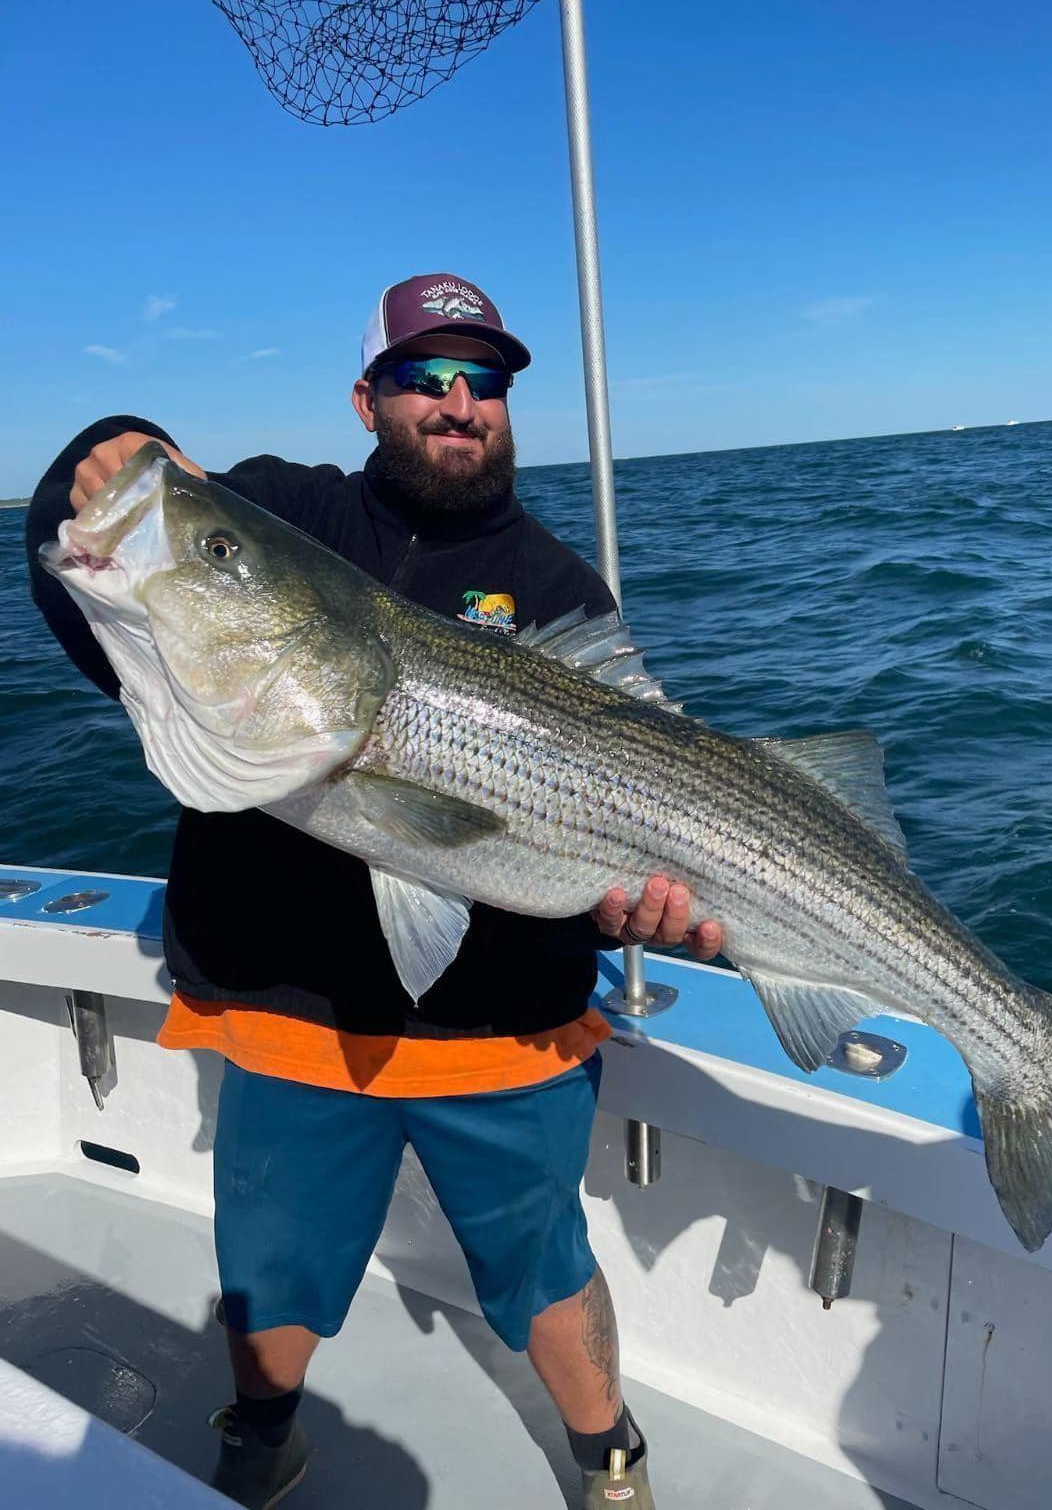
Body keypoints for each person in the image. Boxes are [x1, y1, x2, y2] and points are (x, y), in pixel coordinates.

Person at [25, 273, 723, 1510]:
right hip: (292, 1012)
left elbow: (610, 842)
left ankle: (608, 1455)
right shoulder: (284, 510)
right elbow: (92, 550)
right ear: (367, 398)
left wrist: (633, 899)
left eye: (484, 380)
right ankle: (263, 1429)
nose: (458, 404)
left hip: (506, 1030)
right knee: (271, 1265)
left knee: (543, 1266)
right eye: (423, 377)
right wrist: (103, 448)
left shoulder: (562, 588)